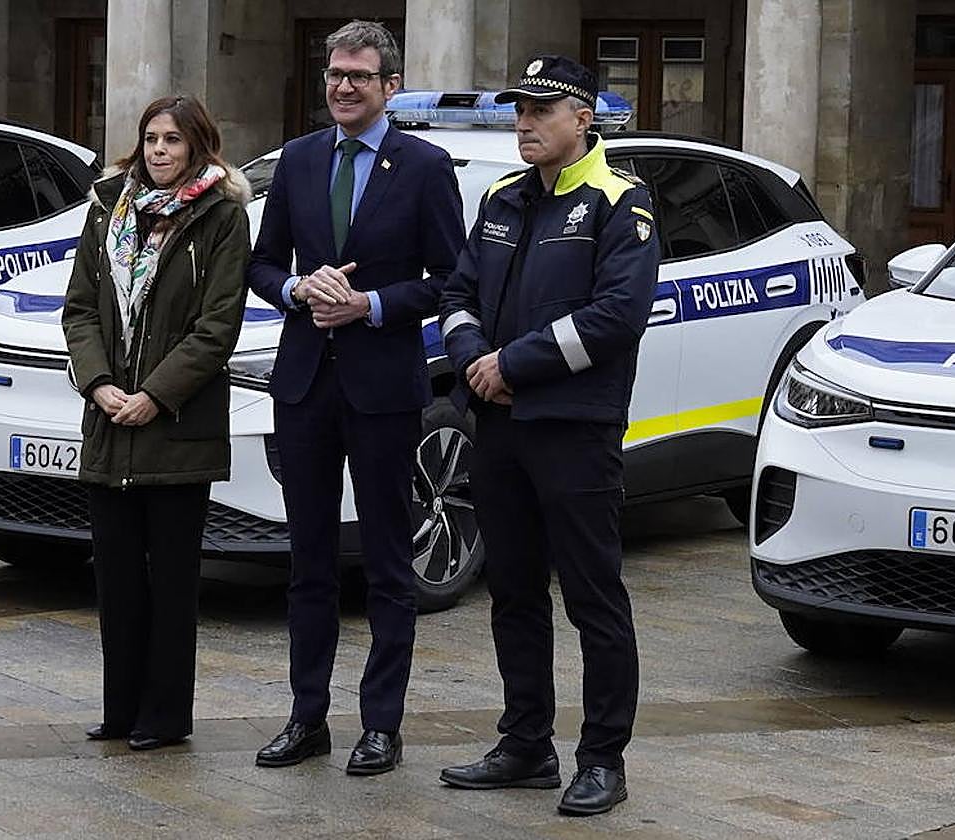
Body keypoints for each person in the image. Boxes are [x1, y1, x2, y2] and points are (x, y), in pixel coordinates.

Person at [437, 56, 659, 816]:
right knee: (513, 592)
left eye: (541, 109)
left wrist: (513, 365)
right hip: (497, 424)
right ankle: (526, 742)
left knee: (594, 597)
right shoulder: (502, 197)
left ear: (583, 116)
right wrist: (473, 361)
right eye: (519, 110)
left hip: (574, 430)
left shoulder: (618, 201)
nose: (524, 122)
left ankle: (602, 757)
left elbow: (615, 317)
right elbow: (458, 293)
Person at [247, 20, 465, 775]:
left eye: (359, 77)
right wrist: (296, 289)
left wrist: (369, 306)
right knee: (306, 561)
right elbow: (262, 261)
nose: (343, 86)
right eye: (335, 74)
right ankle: (307, 717)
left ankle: (382, 725)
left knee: (385, 564)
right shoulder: (301, 159)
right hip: (305, 382)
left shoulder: (426, 166)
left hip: (382, 389)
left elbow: (448, 280)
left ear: (389, 87)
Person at [62, 94, 250, 752]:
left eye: (173, 139)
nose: (160, 150)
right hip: (109, 424)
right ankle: (121, 710)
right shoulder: (108, 207)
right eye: (151, 139)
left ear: (199, 144)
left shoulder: (222, 216)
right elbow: (80, 308)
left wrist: (156, 395)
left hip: (177, 429)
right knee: (114, 577)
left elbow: (216, 328)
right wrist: (101, 384)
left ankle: (165, 715)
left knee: (171, 582)